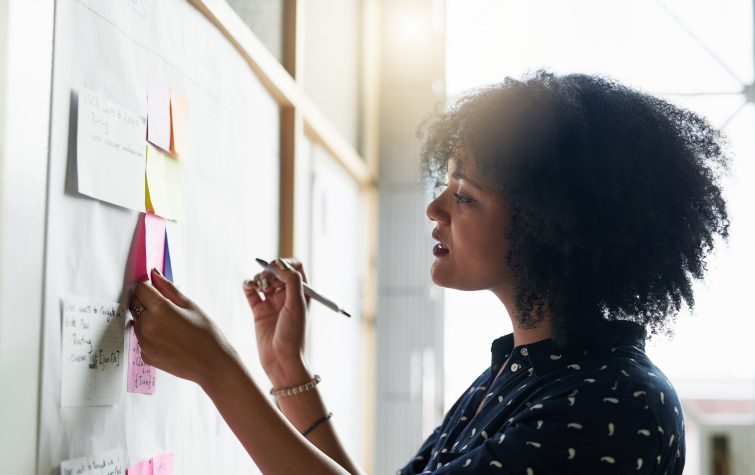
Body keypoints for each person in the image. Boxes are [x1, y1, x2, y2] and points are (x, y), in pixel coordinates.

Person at [129, 71, 729, 474]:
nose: (434, 209)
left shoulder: (616, 402)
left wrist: (217, 368)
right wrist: (287, 370)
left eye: (464, 196)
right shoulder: (526, 373)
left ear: (552, 229)